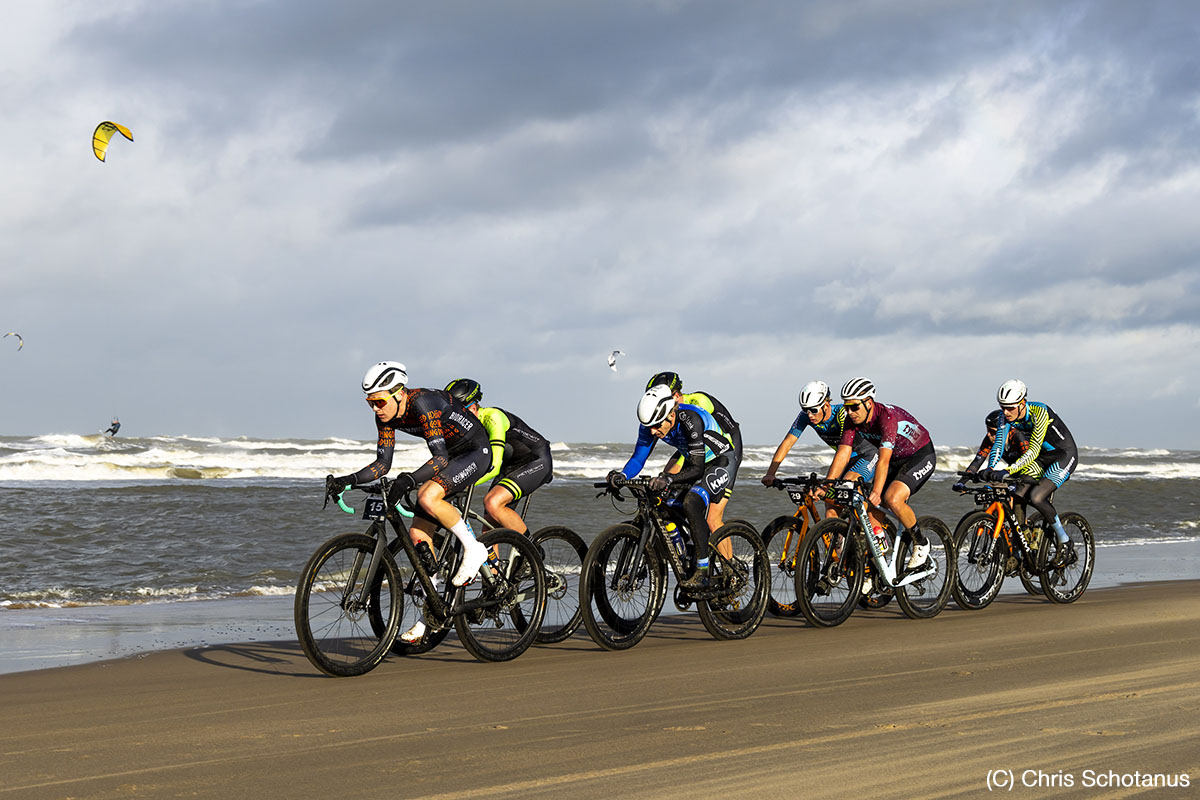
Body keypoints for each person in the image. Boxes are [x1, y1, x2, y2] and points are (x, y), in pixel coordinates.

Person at [326, 362, 492, 643]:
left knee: (426, 495)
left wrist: (409, 480)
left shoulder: (424, 404)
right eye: (370, 403)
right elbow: (383, 464)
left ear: (400, 393)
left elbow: (440, 459)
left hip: (475, 452)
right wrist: (348, 480)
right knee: (417, 535)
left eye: (380, 401)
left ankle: (474, 549)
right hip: (451, 456)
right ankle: (431, 613)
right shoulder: (385, 416)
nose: (376, 409)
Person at [607, 384, 735, 596]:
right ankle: (688, 554)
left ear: (670, 415)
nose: (652, 432)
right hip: (695, 462)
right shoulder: (651, 424)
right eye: (649, 427)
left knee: (692, 502)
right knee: (662, 502)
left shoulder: (690, 419)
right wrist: (622, 476)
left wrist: (668, 478)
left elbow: (697, 469)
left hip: (720, 461)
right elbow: (638, 458)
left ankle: (703, 570)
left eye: (657, 426)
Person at [825, 378, 937, 570]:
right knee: (872, 513)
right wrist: (828, 484)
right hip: (894, 459)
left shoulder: (886, 417)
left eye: (854, 407)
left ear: (868, 403)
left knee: (891, 498)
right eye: (846, 407)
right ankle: (876, 568)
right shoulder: (851, 420)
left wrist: (877, 491)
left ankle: (921, 543)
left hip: (919, 455)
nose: (849, 412)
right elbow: (843, 453)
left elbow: (883, 460)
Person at [980, 380, 1079, 567]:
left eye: (1010, 408)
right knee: (1017, 494)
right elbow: (998, 446)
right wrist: (990, 468)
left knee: (1037, 497)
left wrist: (1008, 470)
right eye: (1002, 407)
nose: (1006, 412)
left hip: (1063, 455)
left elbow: (1032, 450)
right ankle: (1021, 546)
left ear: (1022, 403)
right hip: (1041, 458)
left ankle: (1065, 541)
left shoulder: (1039, 411)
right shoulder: (1004, 417)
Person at [444, 378, 553, 536]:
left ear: (473, 407)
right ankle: (492, 554)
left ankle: (531, 548)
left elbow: (493, 467)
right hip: (509, 467)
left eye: (460, 412)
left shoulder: (493, 417)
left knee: (492, 502)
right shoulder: (467, 430)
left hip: (536, 461)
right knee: (489, 526)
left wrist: (462, 484)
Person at [761, 380, 880, 517]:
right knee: (830, 508)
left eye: (813, 410)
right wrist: (771, 473)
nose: (810, 415)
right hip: (845, 460)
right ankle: (837, 530)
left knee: (847, 487)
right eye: (805, 410)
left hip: (867, 455)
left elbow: (843, 452)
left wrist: (826, 486)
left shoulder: (842, 414)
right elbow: (787, 443)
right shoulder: (806, 417)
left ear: (826, 405)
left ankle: (869, 527)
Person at [644, 371, 741, 532]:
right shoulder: (664, 415)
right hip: (693, 450)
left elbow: (729, 432)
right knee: (665, 496)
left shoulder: (698, 403)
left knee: (713, 519)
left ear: (675, 395)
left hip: (724, 450)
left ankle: (719, 549)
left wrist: (733, 464)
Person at [954, 410, 1033, 492]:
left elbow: (1029, 462)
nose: (988, 434)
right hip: (1013, 470)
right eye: (987, 430)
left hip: (1031, 471)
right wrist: (961, 482)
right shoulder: (989, 438)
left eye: (992, 431)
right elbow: (977, 461)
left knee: (1016, 494)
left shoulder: (1018, 436)